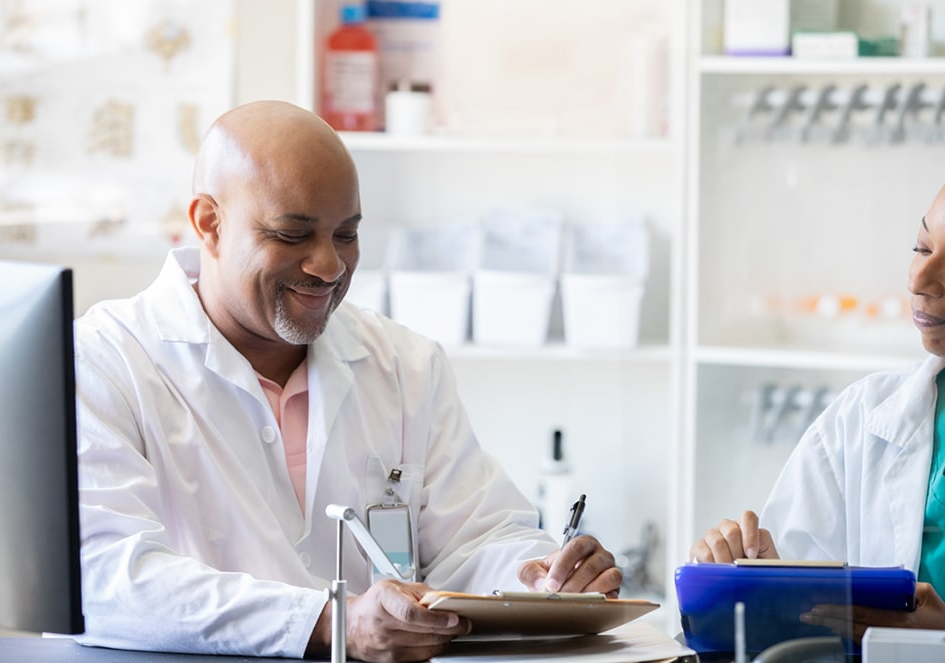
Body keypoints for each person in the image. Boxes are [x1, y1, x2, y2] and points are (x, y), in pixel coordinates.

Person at [73, 100, 621, 662]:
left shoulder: (405, 365)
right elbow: (105, 577)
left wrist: (546, 580)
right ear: (209, 224)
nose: (329, 266)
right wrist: (330, 622)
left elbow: (476, 540)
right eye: (293, 235)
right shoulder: (105, 362)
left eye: (347, 235)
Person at [689, 142, 945, 663]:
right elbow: (795, 625)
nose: (919, 281)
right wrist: (764, 574)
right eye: (922, 247)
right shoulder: (862, 419)